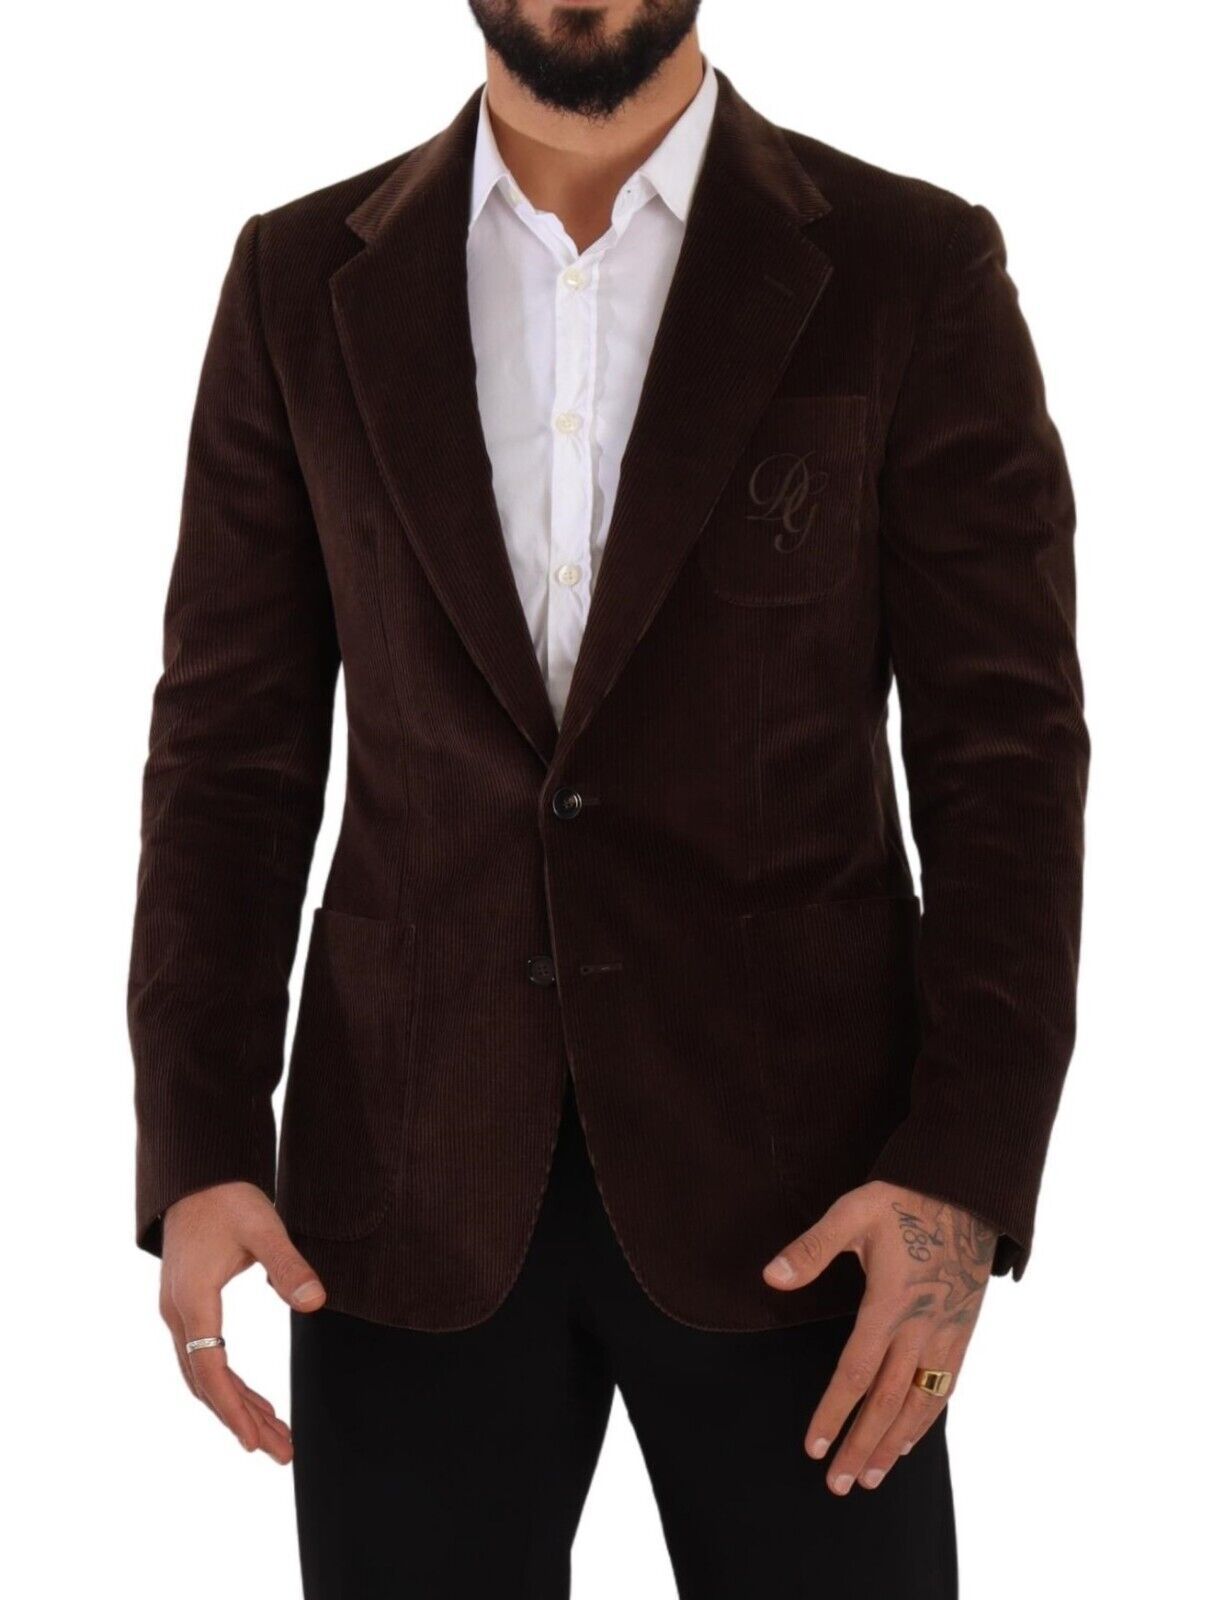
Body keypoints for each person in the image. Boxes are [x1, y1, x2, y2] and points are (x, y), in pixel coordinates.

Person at [128, 3, 1088, 1594]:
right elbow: (228, 751)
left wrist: (963, 1172)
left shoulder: (907, 265)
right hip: (401, 1196)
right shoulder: (297, 278)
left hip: (813, 1197)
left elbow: (1006, 756)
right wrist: (199, 1137)